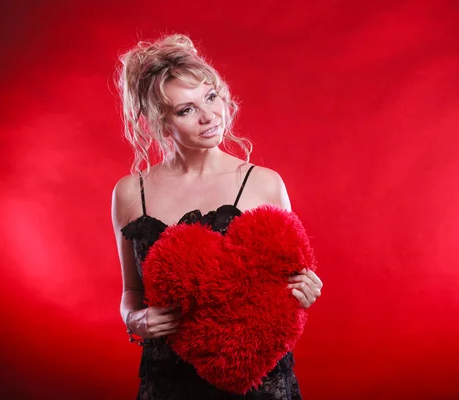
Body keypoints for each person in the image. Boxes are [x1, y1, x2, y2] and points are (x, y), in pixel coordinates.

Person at [110, 33, 323, 400]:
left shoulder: (265, 183)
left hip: (259, 382)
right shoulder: (131, 193)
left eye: (211, 97)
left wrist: (307, 290)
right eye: (186, 109)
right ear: (161, 123)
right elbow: (132, 291)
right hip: (169, 382)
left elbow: (293, 280)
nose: (209, 116)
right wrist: (134, 320)